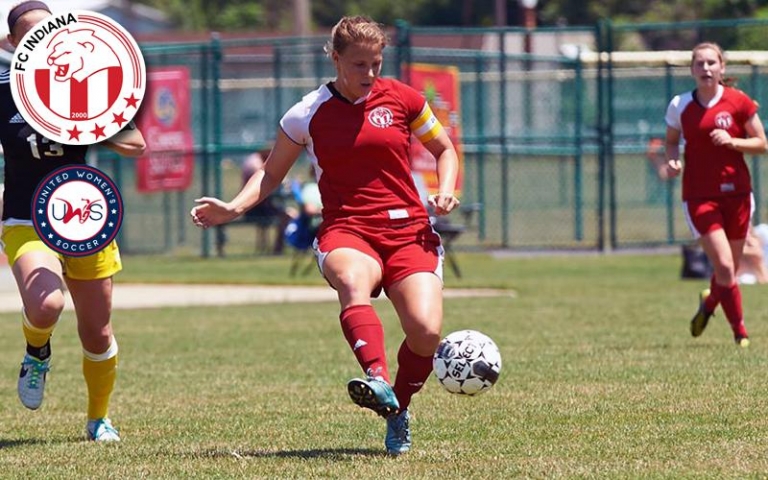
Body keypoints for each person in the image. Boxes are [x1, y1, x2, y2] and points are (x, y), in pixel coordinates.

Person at [191, 15, 460, 455]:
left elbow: (443, 149)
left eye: (376, 64)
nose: (369, 74)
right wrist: (234, 207)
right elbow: (271, 174)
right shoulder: (306, 113)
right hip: (348, 228)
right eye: (358, 64)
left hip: (409, 230)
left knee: (426, 333)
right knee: (353, 282)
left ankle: (397, 407)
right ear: (335, 58)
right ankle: (376, 377)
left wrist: (446, 189)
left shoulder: (404, 99)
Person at [0, 1, 146, 441]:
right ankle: (37, 351)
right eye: (29, 34)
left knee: (97, 333)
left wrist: (92, 122)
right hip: (26, 216)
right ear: (12, 43)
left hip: (83, 217)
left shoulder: (80, 83)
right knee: (46, 304)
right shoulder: (3, 88)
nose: (40, 40)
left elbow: (136, 143)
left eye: (47, 32)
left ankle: (98, 419)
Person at [655, 42, 767, 347]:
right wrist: (672, 160)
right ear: (692, 69)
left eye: (711, 63)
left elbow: (762, 143)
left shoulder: (739, 102)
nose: (706, 68)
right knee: (726, 267)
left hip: (738, 195)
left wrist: (733, 142)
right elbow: (671, 141)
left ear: (722, 67)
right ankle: (740, 334)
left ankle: (708, 304)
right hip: (700, 196)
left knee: (727, 270)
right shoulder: (680, 105)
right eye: (700, 63)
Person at [240, 149, 295, 254]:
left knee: (287, 214)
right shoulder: (255, 162)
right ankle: (278, 248)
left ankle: (277, 248)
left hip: (258, 206)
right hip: (256, 208)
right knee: (287, 215)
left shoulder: (254, 159)